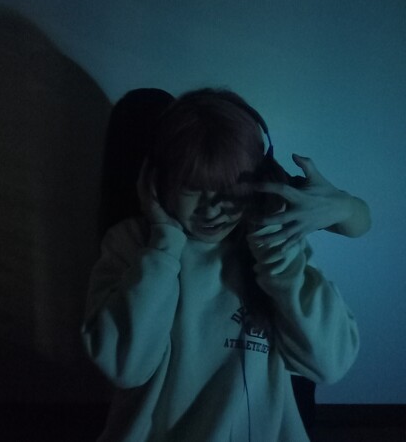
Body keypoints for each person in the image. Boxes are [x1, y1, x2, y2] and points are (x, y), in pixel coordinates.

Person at [82, 88, 370, 441]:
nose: (214, 209)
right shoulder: (131, 243)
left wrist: (291, 248)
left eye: (230, 190)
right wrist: (162, 249)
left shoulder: (272, 242)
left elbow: (330, 364)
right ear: (157, 180)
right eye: (193, 188)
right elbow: (125, 367)